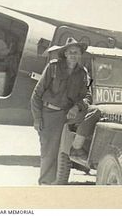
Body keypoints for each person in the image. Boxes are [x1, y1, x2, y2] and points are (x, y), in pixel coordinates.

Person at [30, 38, 100, 185]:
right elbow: (36, 94)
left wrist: (77, 107)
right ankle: (46, 184)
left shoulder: (83, 73)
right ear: (66, 54)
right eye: (71, 52)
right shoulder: (53, 67)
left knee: (95, 112)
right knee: (49, 152)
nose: (74, 55)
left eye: (77, 52)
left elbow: (87, 96)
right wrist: (37, 118)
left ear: (80, 54)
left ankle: (77, 147)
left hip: (69, 116)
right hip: (50, 115)